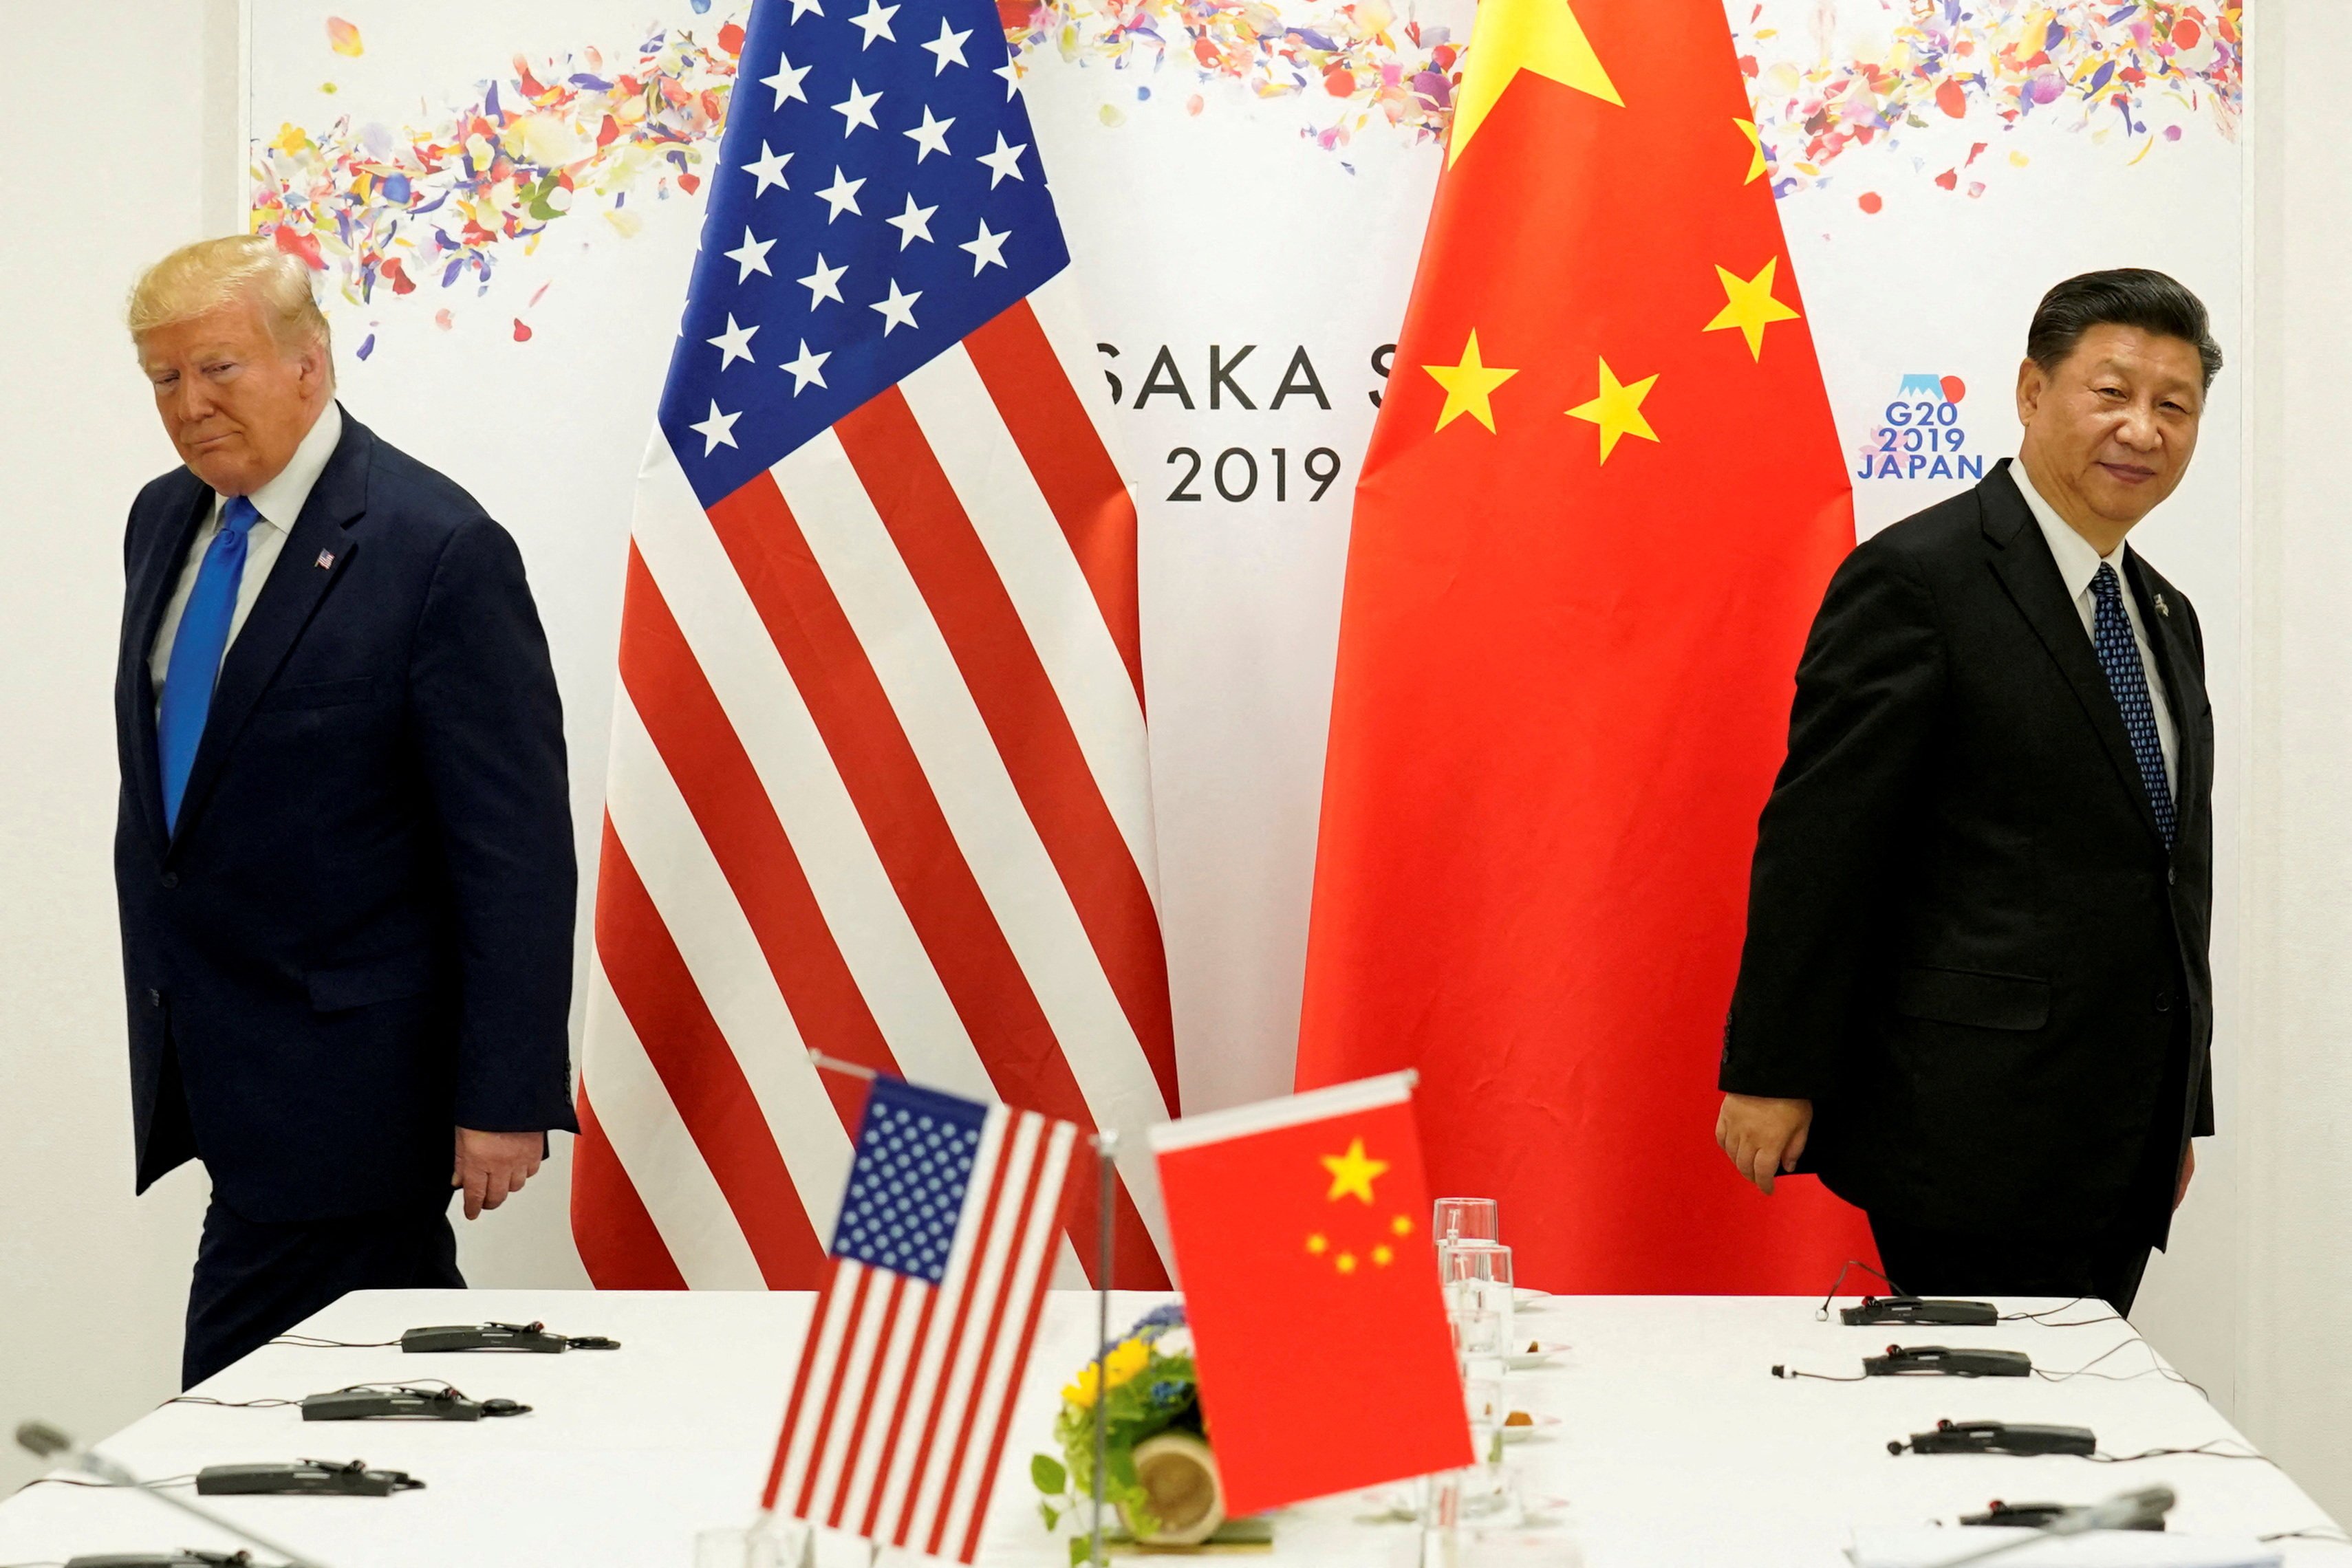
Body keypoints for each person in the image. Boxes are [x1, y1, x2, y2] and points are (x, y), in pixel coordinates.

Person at [115, 236, 579, 1384]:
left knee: (234, 1413)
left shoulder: (437, 549)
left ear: (310, 364)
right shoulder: (162, 522)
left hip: (360, 1077)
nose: (191, 405)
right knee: (380, 1396)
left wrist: (505, 1095)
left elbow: (514, 851)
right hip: (223, 1058)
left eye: (219, 368)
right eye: (166, 380)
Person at [1714, 268, 2219, 1316]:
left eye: (2174, 406)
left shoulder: (2164, 613)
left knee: (2078, 1427)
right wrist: (1771, 1070)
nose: (2143, 429)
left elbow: (2169, 874)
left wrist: (2179, 1110)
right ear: (2032, 394)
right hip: (1968, 1123)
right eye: (2112, 391)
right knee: (1988, 1436)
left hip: (2120, 1139)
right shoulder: (1919, 581)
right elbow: (1822, 843)